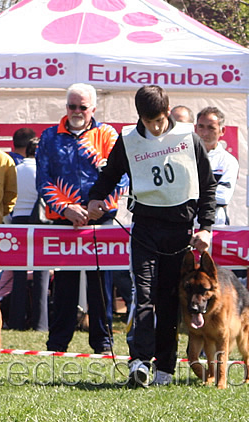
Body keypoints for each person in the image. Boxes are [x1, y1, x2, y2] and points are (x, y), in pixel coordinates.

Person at [88, 84, 216, 387]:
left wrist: (206, 227)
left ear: (168, 112)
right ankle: (141, 362)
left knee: (169, 299)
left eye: (160, 120)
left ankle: (165, 368)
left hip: (180, 231)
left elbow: (208, 185)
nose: (156, 127)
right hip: (145, 229)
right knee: (143, 297)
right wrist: (95, 198)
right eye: (149, 122)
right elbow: (109, 174)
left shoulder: (188, 138)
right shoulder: (128, 140)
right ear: (139, 118)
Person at [37, 83, 128, 355]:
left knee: (101, 285)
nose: (77, 111)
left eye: (82, 107)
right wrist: (65, 209)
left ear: (93, 109)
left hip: (101, 219)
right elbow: (43, 179)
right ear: (66, 108)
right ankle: (58, 343)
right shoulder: (50, 137)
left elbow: (121, 176)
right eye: (72, 106)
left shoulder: (108, 135)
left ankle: (102, 341)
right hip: (64, 221)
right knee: (64, 285)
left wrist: (98, 207)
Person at [7, 132, 49, 331]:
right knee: (41, 274)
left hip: (18, 221)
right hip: (39, 221)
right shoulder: (43, 172)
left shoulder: (16, 169)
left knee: (19, 275)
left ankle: (16, 320)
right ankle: (41, 323)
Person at [195, 106, 238, 226]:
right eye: (201, 127)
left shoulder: (228, 161)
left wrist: (190, 193)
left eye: (211, 128)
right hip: (185, 222)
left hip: (216, 223)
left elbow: (223, 197)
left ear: (222, 131)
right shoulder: (184, 156)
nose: (204, 133)